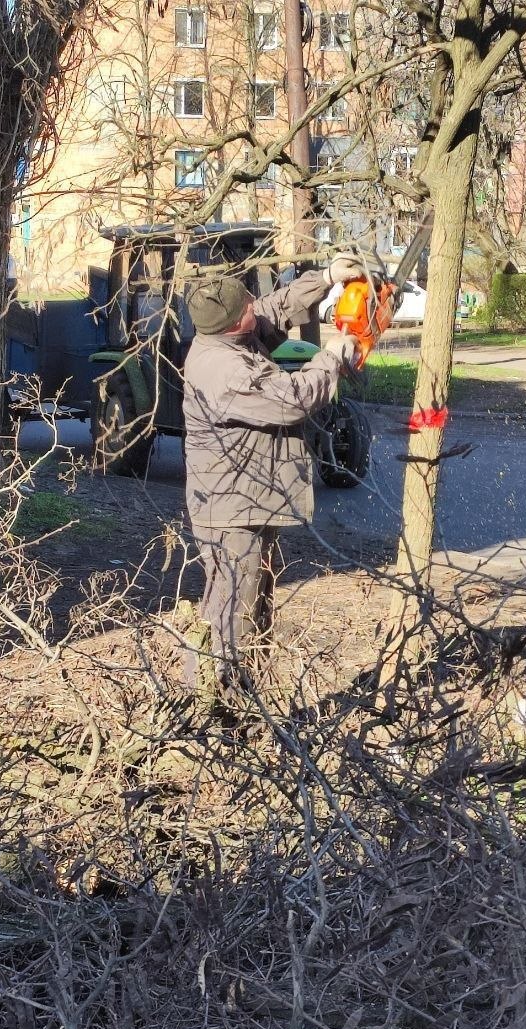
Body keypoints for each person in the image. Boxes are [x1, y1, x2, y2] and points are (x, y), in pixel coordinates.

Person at [181, 252, 371, 697]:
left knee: (255, 605)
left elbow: (273, 308)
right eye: (245, 305)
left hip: (249, 501)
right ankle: (212, 706)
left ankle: (246, 699)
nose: (254, 305)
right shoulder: (221, 369)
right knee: (231, 611)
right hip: (231, 512)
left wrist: (326, 278)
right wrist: (330, 360)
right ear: (229, 322)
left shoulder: (232, 336)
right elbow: (291, 399)